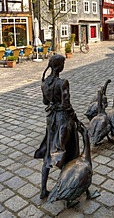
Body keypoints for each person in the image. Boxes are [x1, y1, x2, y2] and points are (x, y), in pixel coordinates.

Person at [34, 54, 80, 199]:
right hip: (63, 120)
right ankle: (66, 186)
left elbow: (44, 102)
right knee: (68, 151)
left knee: (49, 153)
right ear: (60, 66)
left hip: (51, 120)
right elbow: (67, 105)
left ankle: (43, 190)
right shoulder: (63, 83)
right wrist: (76, 119)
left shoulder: (44, 82)